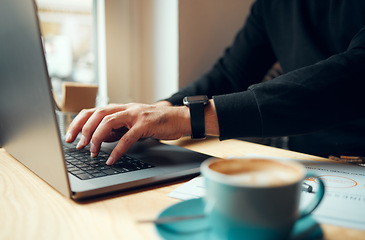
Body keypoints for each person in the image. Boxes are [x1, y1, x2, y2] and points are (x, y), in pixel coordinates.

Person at [66, 0, 365, 165]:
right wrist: (156, 112)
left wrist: (189, 118)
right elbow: (231, 75)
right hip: (306, 163)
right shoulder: (271, 6)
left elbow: (350, 79)